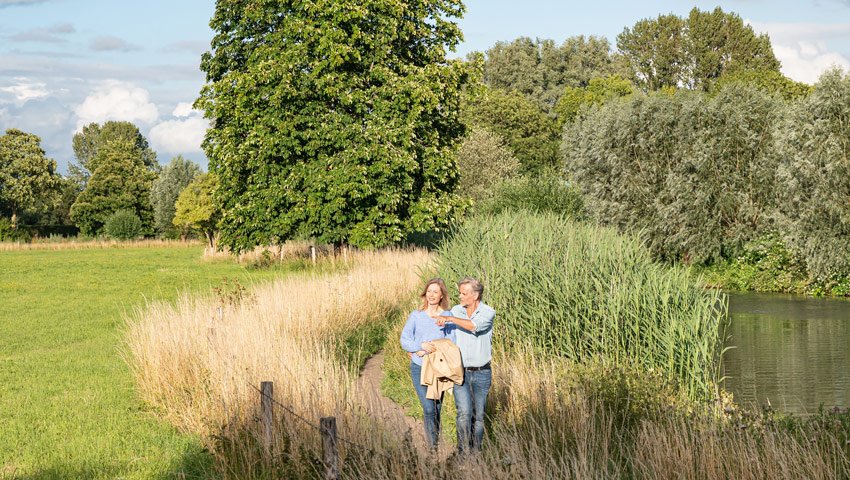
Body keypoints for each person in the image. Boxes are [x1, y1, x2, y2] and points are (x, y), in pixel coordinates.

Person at [435, 276, 495, 453]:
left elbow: (474, 326)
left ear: (475, 295)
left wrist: (451, 319)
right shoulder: (456, 310)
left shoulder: (488, 312)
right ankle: (462, 452)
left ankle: (476, 451)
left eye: (463, 293)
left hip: (482, 373)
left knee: (478, 415)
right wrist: (418, 347)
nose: (460, 296)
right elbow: (439, 328)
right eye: (460, 293)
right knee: (464, 412)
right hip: (460, 372)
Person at [400, 278, 456, 449]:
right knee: (428, 407)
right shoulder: (416, 315)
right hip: (419, 367)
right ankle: (432, 449)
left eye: (435, 292)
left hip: (438, 368)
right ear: (425, 294)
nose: (431, 295)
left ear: (441, 295)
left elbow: (451, 342)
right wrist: (419, 346)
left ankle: (435, 443)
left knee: (437, 408)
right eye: (429, 291)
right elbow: (405, 340)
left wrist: (430, 348)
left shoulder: (447, 316)